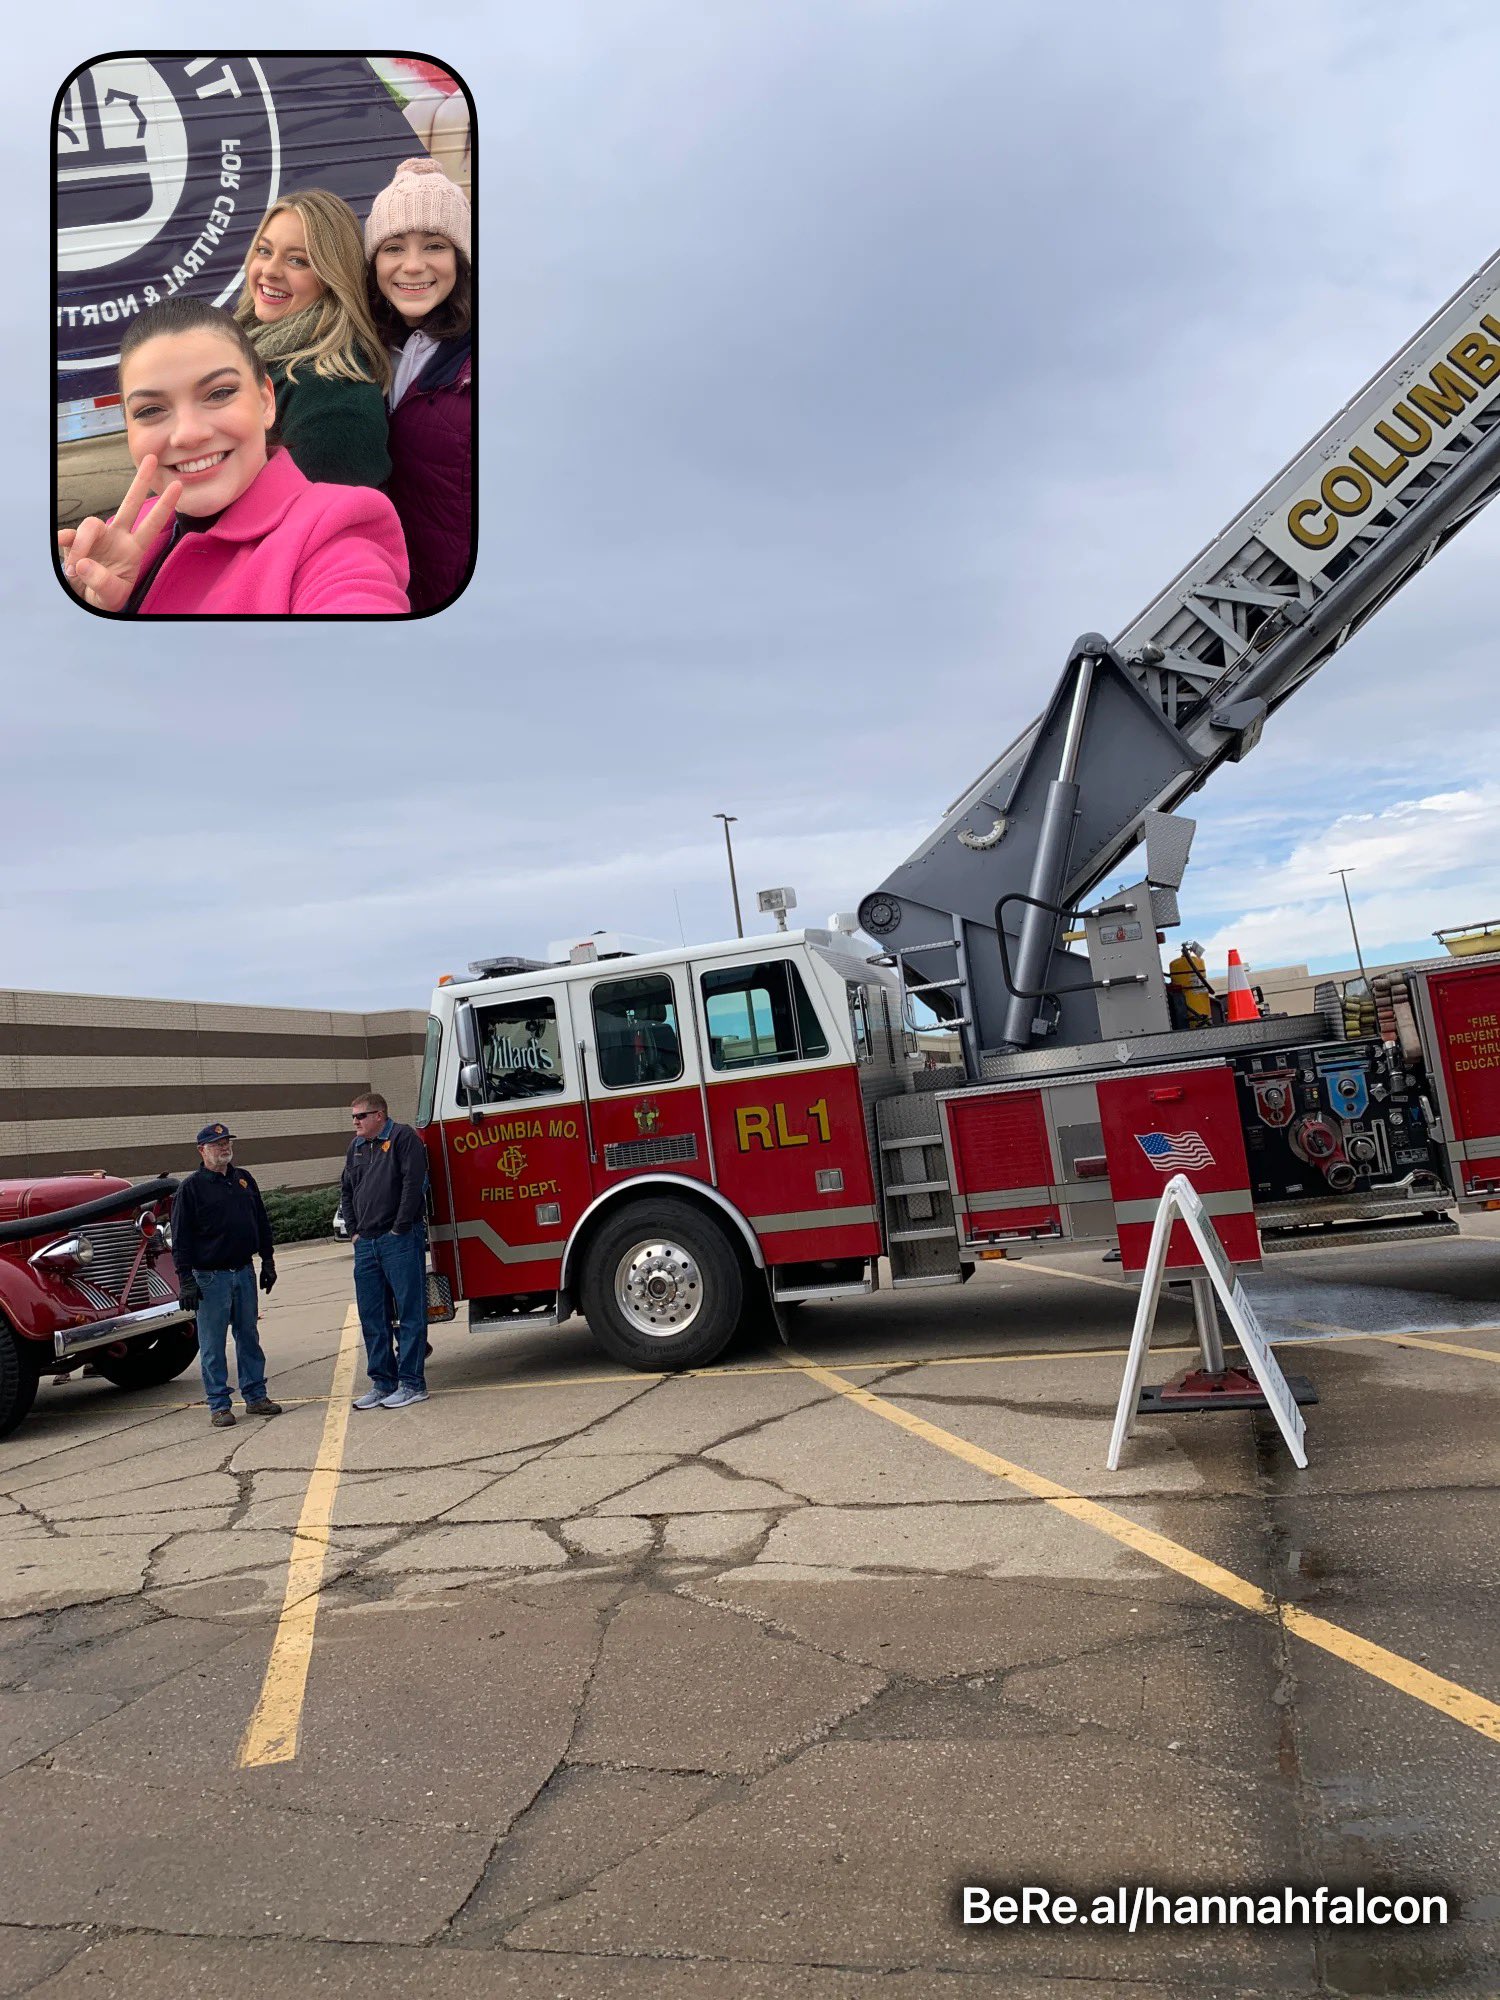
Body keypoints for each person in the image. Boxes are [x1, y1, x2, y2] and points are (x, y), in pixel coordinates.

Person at [57, 298, 409, 616]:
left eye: (219, 393)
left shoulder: (331, 531)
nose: (189, 434)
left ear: (266, 402)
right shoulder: (127, 533)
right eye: (150, 410)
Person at [365, 157, 474, 613]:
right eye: (392, 248)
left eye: (434, 245)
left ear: (460, 259)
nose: (412, 266)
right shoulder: (369, 350)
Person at [233, 189, 391, 488]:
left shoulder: (336, 399)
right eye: (264, 251)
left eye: (297, 261)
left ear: (333, 278)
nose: (269, 270)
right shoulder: (246, 344)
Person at [170, 1122, 282, 1429]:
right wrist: (186, 1281)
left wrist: (268, 1261)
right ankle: (219, 1405)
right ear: (201, 1150)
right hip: (210, 1278)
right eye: (217, 1143)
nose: (224, 1147)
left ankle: (256, 1396)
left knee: (248, 1336)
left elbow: (260, 1220)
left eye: (227, 1142)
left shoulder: (243, 1180)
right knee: (212, 1344)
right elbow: (180, 1239)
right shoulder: (191, 1188)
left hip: (243, 1271)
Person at [339, 1093, 431, 1408]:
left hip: (399, 1240)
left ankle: (412, 1383)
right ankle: (382, 1383)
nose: (355, 1122)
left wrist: (400, 1227)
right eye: (353, 1117)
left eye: (360, 1116)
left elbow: (413, 1183)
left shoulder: (404, 1137)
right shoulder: (356, 1147)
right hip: (367, 1243)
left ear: (379, 1115)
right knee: (372, 1316)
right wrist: (354, 1232)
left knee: (409, 1312)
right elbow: (347, 1190)